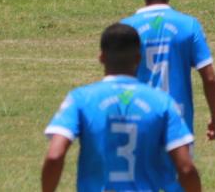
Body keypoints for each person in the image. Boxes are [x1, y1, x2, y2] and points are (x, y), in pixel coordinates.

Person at [42, 23, 201, 192]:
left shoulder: (80, 99)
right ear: (138, 58)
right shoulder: (163, 102)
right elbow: (186, 168)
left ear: (101, 57)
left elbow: (54, 156)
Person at [121, 0, 215, 143]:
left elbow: (118, 81)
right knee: (181, 170)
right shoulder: (189, 25)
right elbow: (210, 78)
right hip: (178, 125)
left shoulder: (126, 28)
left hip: (140, 124)